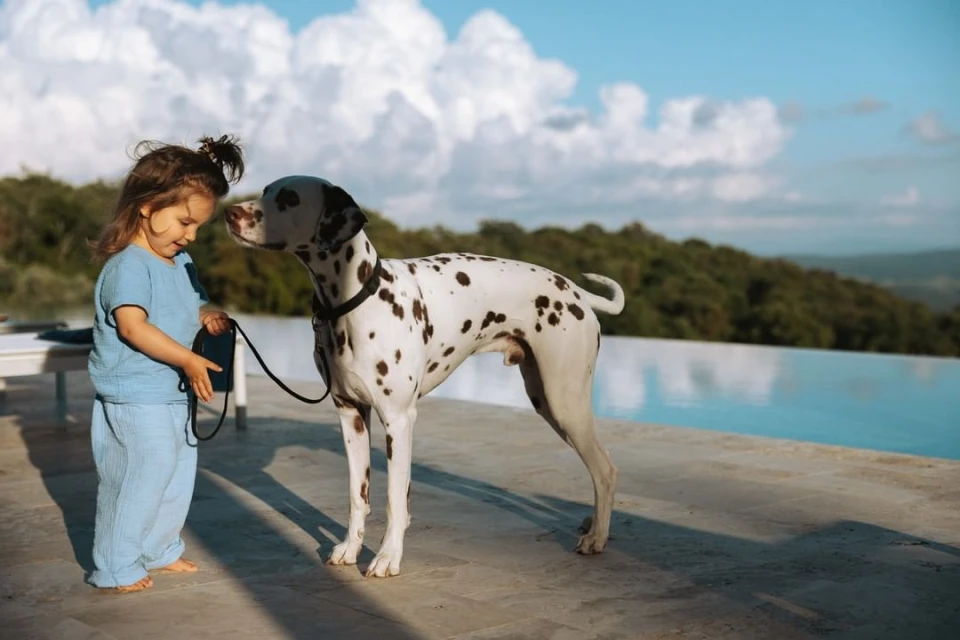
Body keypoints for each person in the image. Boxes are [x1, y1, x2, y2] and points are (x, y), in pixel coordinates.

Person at [85, 134, 245, 592]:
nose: (190, 235)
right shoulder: (128, 266)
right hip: (135, 395)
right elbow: (134, 327)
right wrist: (190, 360)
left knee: (176, 473)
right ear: (149, 205)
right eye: (184, 222)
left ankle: (158, 548)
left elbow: (187, 307)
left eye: (197, 227)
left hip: (170, 393)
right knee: (138, 474)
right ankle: (115, 564)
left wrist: (208, 315)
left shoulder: (180, 262)